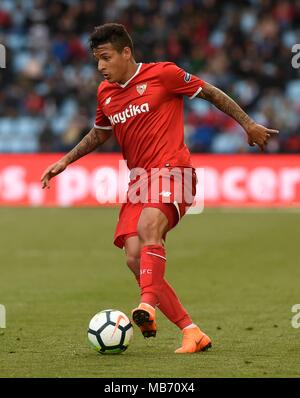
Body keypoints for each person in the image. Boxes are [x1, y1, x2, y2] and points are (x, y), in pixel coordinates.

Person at [41, 23, 279, 354]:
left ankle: (147, 307)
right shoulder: (105, 94)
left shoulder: (163, 74)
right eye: (97, 60)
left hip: (173, 171)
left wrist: (248, 124)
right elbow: (99, 133)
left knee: (149, 226)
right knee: (134, 258)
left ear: (126, 52)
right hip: (139, 181)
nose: (100, 67)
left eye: (106, 58)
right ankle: (191, 332)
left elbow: (210, 92)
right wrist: (65, 160)